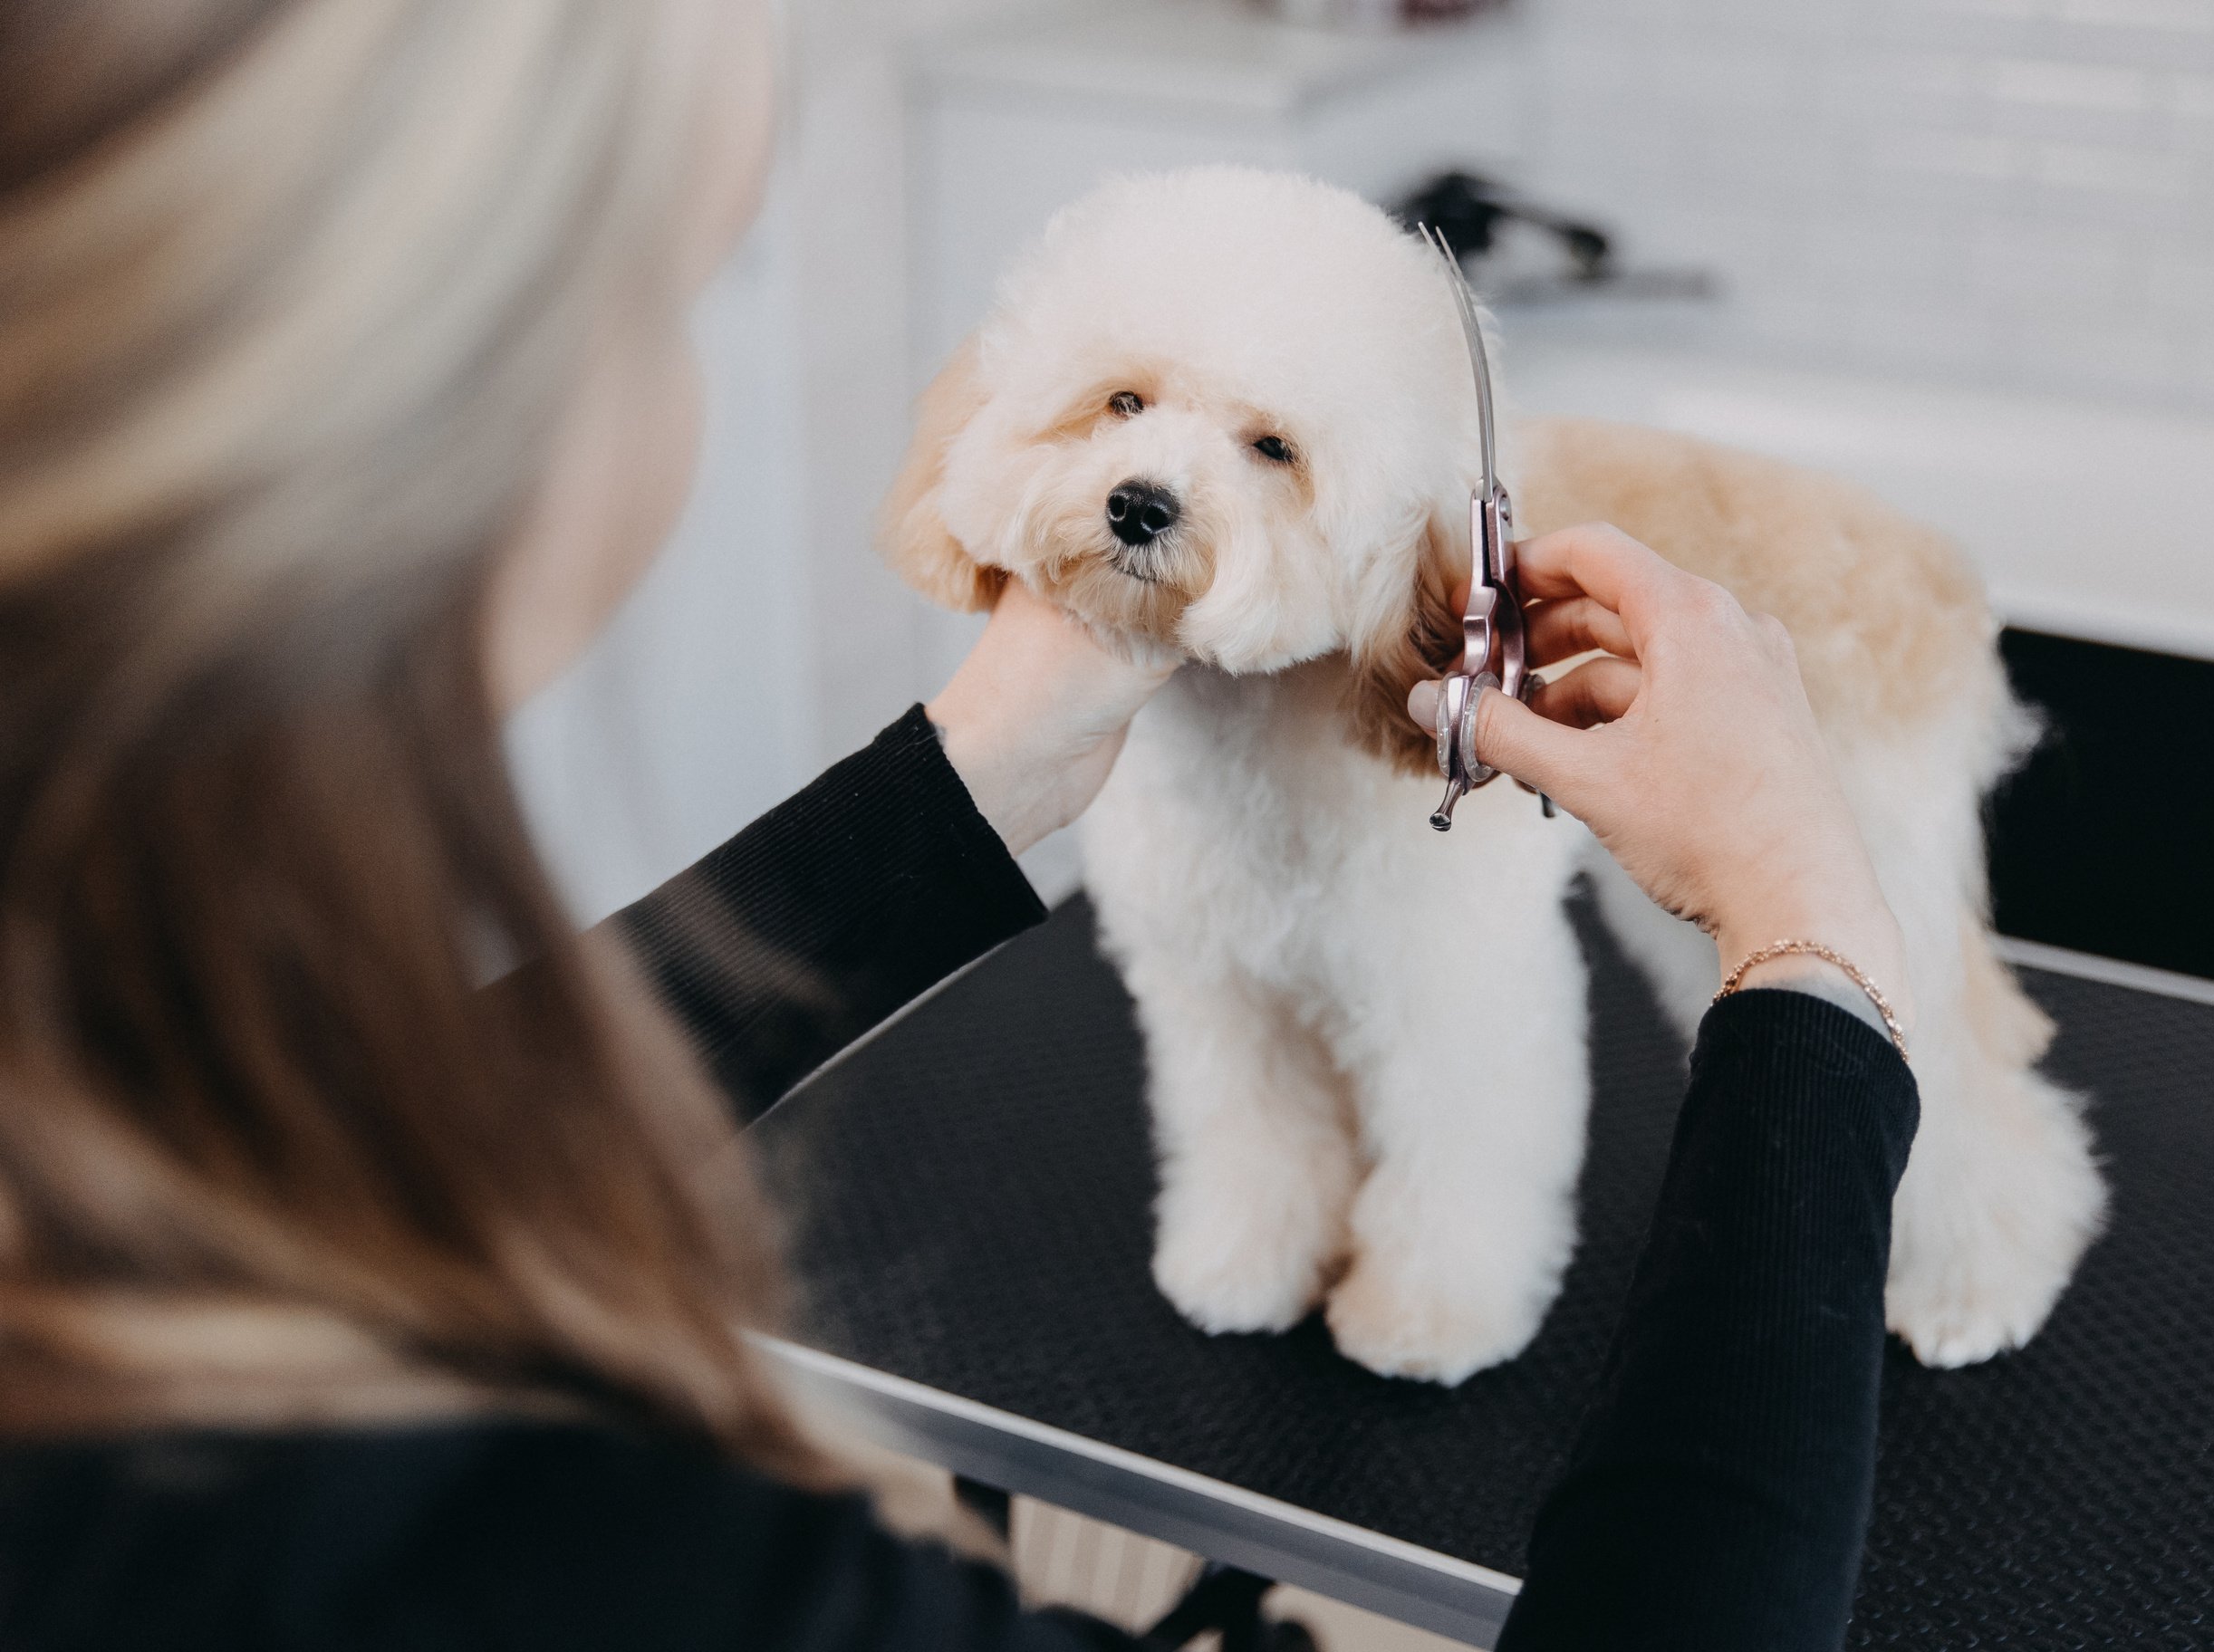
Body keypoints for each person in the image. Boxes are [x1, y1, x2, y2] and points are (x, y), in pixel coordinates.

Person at [0, 4, 1916, 1649]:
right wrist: (1809, 950)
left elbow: (391, 1172)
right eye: (684, 292)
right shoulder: (540, 1561)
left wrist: (968, 773)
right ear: (431, 408)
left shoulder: (119, 1172)